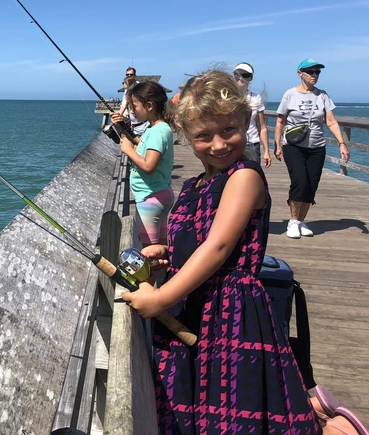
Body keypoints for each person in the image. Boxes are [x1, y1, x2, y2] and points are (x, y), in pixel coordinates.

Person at [122, 70, 323, 433]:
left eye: (228, 130)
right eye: (203, 135)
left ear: (245, 121)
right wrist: (168, 251)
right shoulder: (195, 183)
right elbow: (200, 239)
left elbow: (217, 248)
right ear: (187, 136)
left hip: (232, 311)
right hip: (193, 304)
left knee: (229, 411)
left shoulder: (243, 177)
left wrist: (162, 296)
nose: (217, 145)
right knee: (190, 403)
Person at [274, 59, 350, 239]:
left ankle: (301, 221)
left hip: (317, 147)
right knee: (300, 181)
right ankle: (293, 221)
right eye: (311, 72)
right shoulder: (289, 94)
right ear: (300, 73)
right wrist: (276, 144)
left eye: (317, 72)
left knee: (311, 185)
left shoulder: (322, 95)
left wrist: (341, 143)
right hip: (294, 146)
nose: (314, 75)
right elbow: (279, 121)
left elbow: (330, 121)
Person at [110, 81, 174, 247]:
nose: (131, 110)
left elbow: (148, 166)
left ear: (149, 105)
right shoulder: (158, 128)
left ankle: (153, 274)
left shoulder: (157, 132)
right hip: (160, 194)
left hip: (150, 199)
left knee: (149, 253)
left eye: (134, 106)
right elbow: (142, 145)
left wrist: (129, 151)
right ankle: (167, 273)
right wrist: (120, 128)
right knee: (161, 248)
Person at [233, 62, 271, 168]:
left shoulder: (256, 98)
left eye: (245, 75)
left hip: (252, 144)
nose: (241, 78)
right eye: (237, 74)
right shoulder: (227, 97)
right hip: (232, 144)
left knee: (253, 176)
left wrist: (267, 151)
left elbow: (262, 127)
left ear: (250, 78)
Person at [118, 67, 150, 136]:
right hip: (135, 126)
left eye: (131, 75)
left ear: (135, 75)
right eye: (127, 75)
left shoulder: (138, 88)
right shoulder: (127, 91)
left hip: (143, 126)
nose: (129, 76)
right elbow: (124, 106)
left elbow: (123, 107)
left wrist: (117, 115)